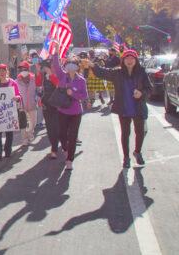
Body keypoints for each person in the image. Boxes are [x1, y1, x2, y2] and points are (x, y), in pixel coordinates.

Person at [92, 49, 152, 168]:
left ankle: (137, 152)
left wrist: (141, 93)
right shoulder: (117, 73)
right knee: (125, 133)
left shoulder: (141, 72)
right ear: (123, 60)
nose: (129, 61)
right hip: (123, 108)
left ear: (135, 60)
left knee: (140, 132)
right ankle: (126, 157)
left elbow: (149, 88)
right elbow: (103, 73)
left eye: (132, 58)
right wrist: (93, 65)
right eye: (127, 58)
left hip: (138, 107)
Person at [50, 42, 88, 171]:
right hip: (62, 110)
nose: (71, 66)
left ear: (78, 67)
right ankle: (65, 149)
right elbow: (55, 65)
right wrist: (56, 50)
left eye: (74, 64)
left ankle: (69, 159)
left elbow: (83, 96)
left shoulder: (81, 80)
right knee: (62, 134)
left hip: (76, 112)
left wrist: (74, 93)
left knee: (72, 136)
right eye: (68, 64)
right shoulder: (62, 76)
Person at [0, 64, 21, 161]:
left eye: (4, 70)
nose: (2, 73)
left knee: (9, 134)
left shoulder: (13, 83)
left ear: (7, 71)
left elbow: (19, 95)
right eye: (0, 71)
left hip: (9, 113)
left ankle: (8, 151)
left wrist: (17, 98)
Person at [37, 59, 61, 159]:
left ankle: (62, 144)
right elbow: (38, 84)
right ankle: (54, 148)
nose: (45, 68)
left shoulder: (59, 73)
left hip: (58, 104)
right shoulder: (42, 75)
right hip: (46, 104)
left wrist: (50, 73)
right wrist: (38, 71)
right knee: (50, 127)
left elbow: (59, 85)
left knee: (57, 127)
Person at [17, 61, 38, 146]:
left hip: (32, 104)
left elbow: (38, 88)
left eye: (25, 69)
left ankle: (29, 134)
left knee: (34, 122)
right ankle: (24, 139)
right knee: (23, 124)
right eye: (21, 69)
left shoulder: (34, 78)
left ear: (28, 69)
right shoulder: (17, 80)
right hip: (22, 105)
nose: (23, 70)